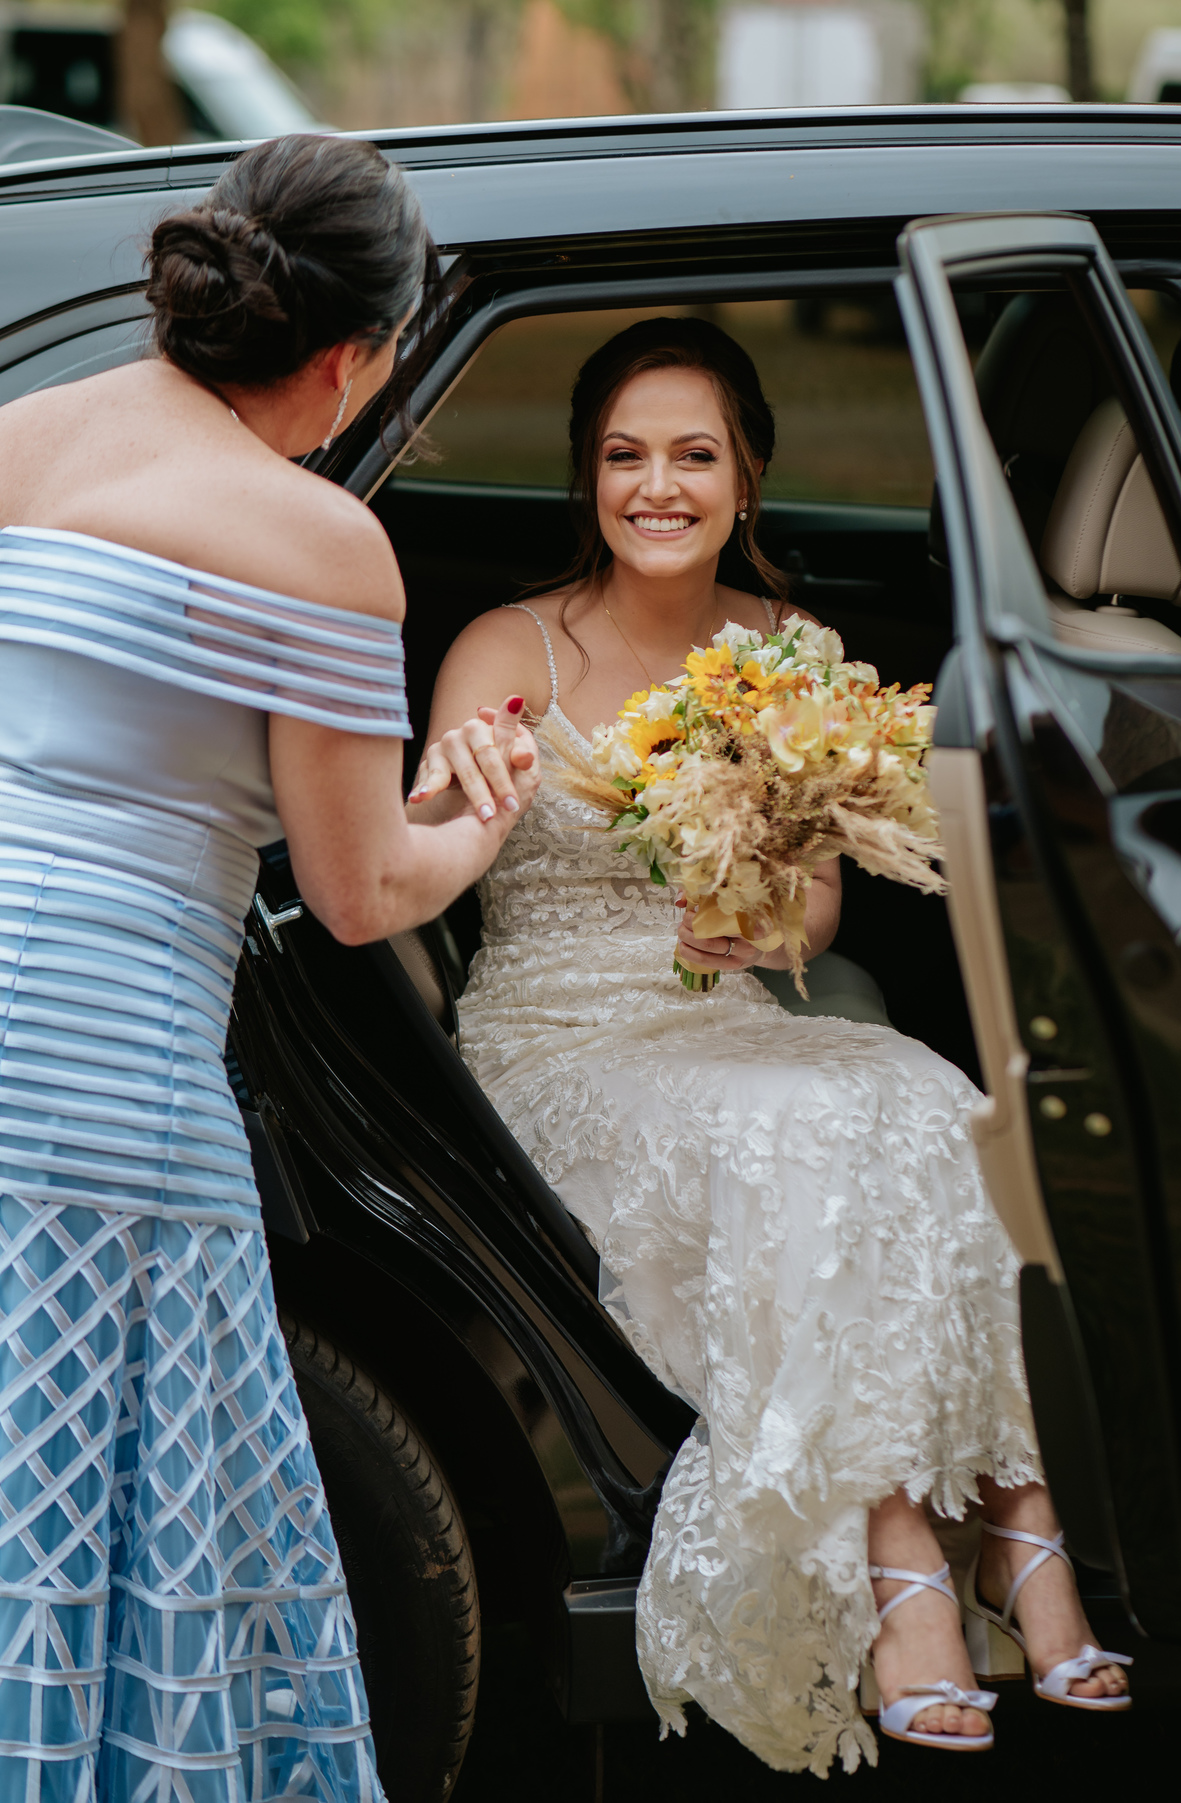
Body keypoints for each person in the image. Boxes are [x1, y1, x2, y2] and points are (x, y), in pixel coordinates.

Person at [409, 316, 1131, 1773]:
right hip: (555, 1037)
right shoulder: (510, 644)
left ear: (747, 479)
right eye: (624, 456)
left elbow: (817, 909)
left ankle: (1018, 1511)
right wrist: (451, 788)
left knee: (936, 1096)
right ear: (588, 476)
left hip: (719, 1014)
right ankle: (902, 1556)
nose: (656, 486)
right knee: (794, 1126)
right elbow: (422, 856)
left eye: (693, 455)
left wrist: (757, 929)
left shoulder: (792, 652)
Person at [0, 135, 537, 1801]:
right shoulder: (319, 541)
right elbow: (362, 893)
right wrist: (483, 813)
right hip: (106, 1100)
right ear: (353, 355)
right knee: (122, 1548)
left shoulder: (21, 436)